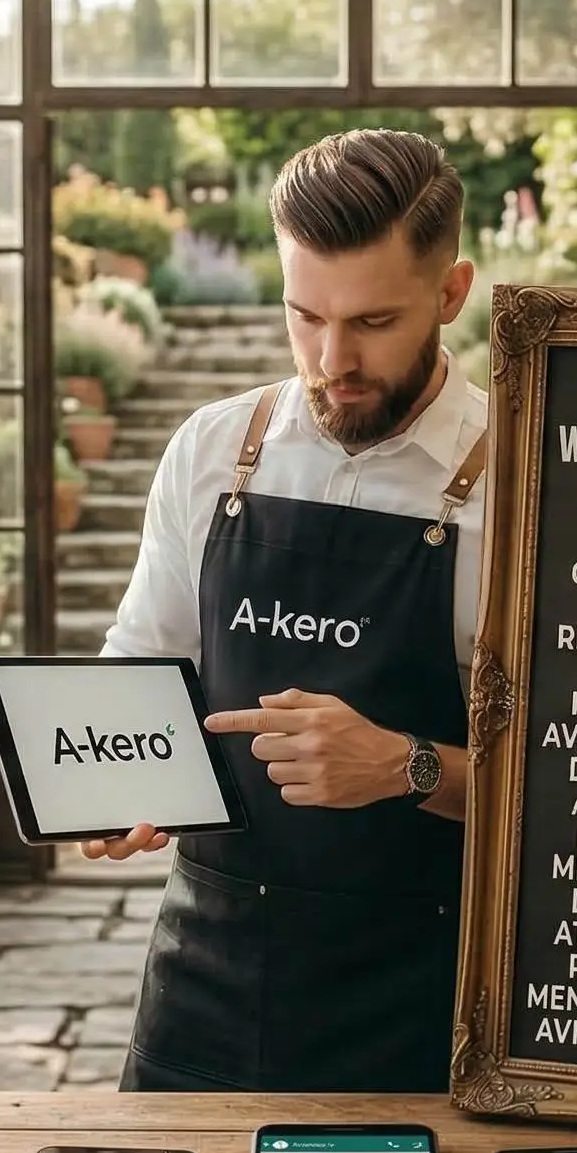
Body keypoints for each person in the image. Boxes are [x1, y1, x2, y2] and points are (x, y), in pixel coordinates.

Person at [90, 129, 489, 1093]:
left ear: (450, 293)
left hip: (424, 993)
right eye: (304, 317)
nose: (333, 359)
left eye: (374, 322)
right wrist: (106, 781)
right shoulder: (212, 449)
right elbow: (140, 665)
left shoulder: (521, 486)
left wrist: (407, 764)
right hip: (205, 978)